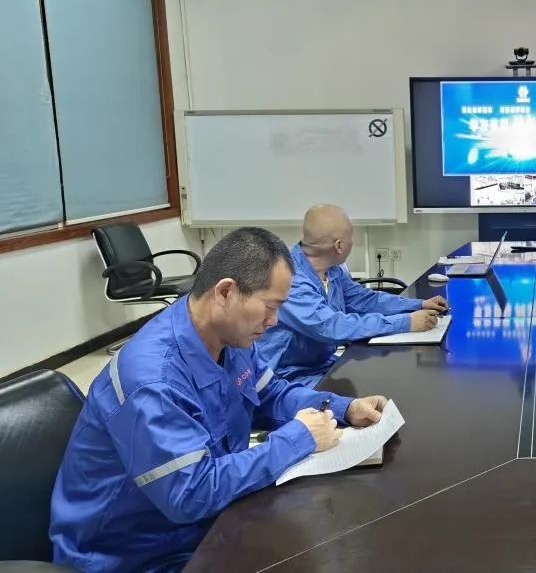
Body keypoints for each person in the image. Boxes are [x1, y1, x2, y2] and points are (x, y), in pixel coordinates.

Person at [51, 228, 390, 572]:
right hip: (135, 557)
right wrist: (298, 438)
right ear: (226, 292)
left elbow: (271, 394)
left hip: (207, 526)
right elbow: (190, 493)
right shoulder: (154, 378)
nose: (274, 321)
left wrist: (342, 407)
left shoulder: (230, 336)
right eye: (270, 307)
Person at [257, 204, 448, 386]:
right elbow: (331, 327)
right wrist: (405, 322)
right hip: (287, 377)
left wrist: (417, 305)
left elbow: (364, 299)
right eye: (351, 237)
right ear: (339, 246)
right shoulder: (290, 279)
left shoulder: (332, 268)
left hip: (320, 364)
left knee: (386, 380)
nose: (353, 241)